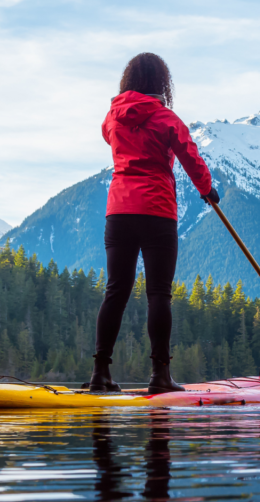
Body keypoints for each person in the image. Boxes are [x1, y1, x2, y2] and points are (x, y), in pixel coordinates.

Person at [87, 52, 219, 394]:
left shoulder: (111, 119)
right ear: (162, 84)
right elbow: (190, 155)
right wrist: (207, 190)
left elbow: (110, 137)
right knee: (158, 293)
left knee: (115, 291)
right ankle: (160, 376)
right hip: (157, 209)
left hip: (118, 211)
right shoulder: (166, 119)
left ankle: (100, 373)